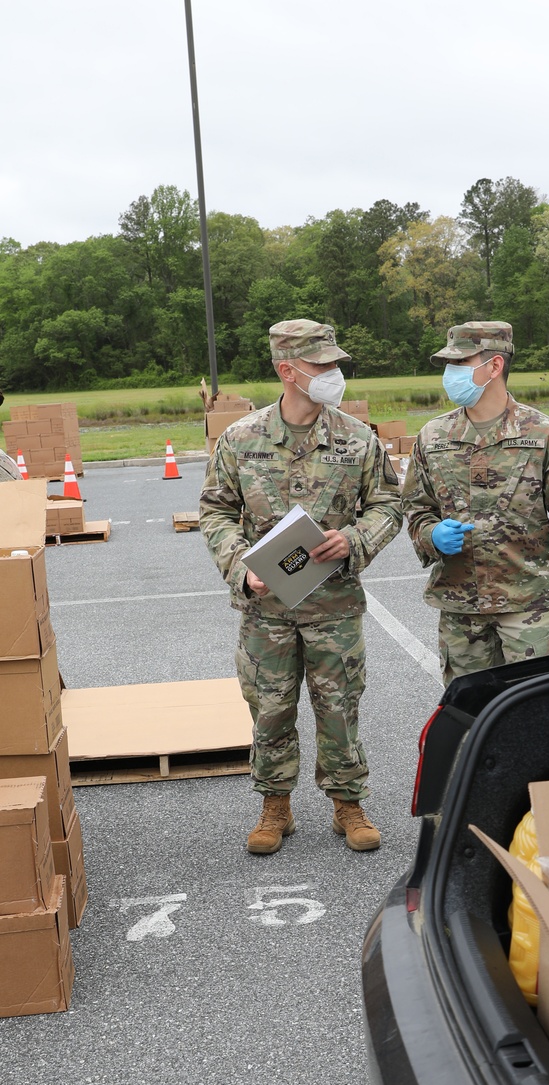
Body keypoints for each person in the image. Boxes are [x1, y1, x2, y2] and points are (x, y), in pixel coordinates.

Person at [199, 319, 402, 855]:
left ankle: (347, 802)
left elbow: (388, 505)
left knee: (340, 707)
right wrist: (239, 566)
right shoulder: (241, 439)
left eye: (336, 364)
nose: (334, 374)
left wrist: (355, 540)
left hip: (334, 605)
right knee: (270, 707)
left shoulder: (357, 438)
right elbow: (215, 511)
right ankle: (275, 805)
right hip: (266, 606)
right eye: (322, 366)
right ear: (287, 371)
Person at [401, 321, 549, 684]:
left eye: (460, 364)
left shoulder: (545, 436)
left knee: (536, 717)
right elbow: (416, 510)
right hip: (460, 612)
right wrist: (431, 535)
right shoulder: (433, 437)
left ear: (494, 366)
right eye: (449, 365)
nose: (450, 374)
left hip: (530, 609)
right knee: (469, 718)